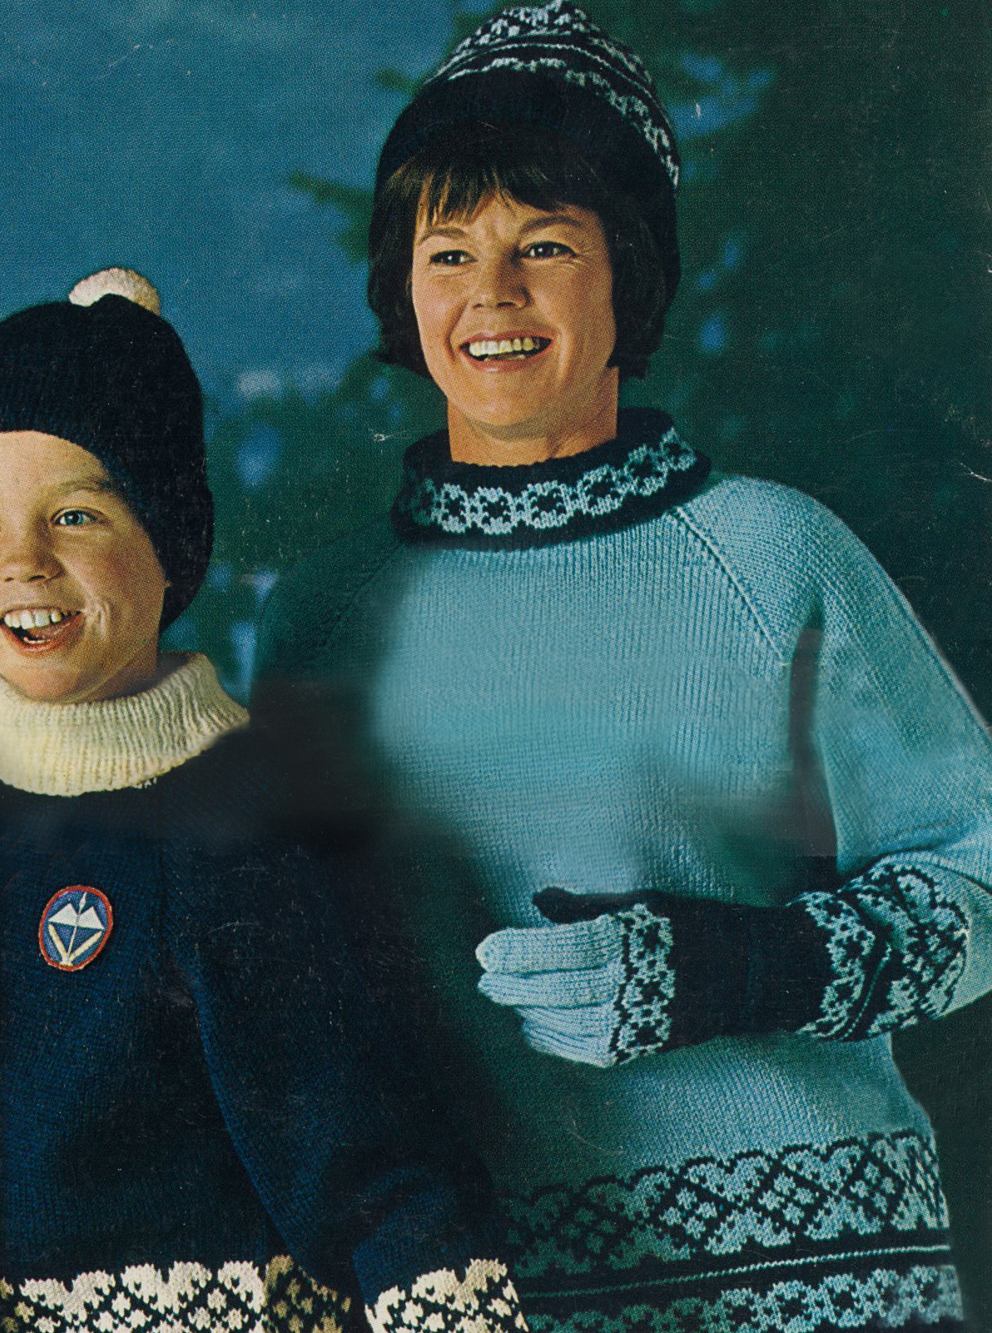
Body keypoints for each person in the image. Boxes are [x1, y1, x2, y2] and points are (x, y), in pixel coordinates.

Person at [253, 5, 992, 1332]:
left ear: (627, 275)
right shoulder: (319, 615)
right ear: (400, 286)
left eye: (546, 245)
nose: (493, 294)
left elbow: (980, 867)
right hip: (492, 1297)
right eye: (449, 250)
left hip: (819, 1282)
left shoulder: (770, 552)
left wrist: (741, 970)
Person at [0, 266, 530, 1333]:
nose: (20, 563)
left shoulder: (248, 822)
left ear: (168, 540)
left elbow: (375, 1153)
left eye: (73, 513)